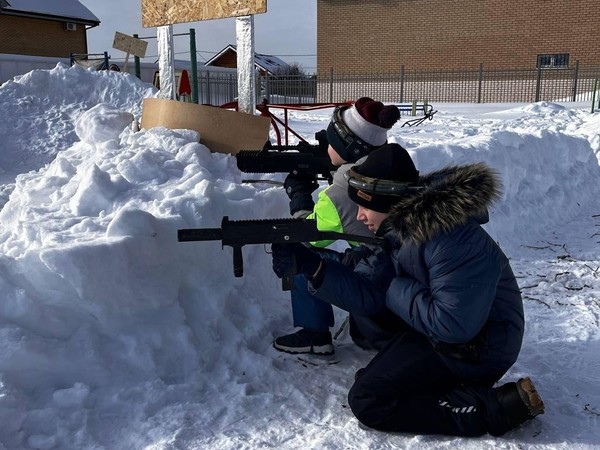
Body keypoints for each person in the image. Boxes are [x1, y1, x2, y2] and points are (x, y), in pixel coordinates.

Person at [271, 143, 545, 436]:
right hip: (445, 333)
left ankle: (494, 408)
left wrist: (389, 284)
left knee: (368, 400)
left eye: (365, 206)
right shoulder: (399, 227)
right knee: (364, 325)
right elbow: (369, 293)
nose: (360, 216)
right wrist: (314, 268)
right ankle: (416, 380)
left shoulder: (453, 241)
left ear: (389, 202)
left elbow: (452, 325)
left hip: (480, 348)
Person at [274, 97, 401, 355]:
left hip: (380, 290)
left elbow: (309, 236)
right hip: (396, 276)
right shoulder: (390, 170)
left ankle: (314, 333)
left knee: (300, 255)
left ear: (348, 148)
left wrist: (298, 197)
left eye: (332, 141)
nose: (327, 145)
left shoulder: (342, 194)